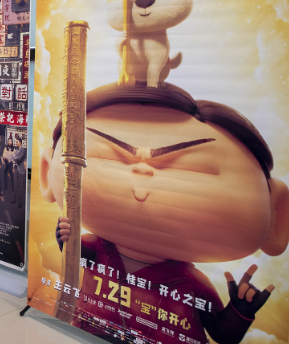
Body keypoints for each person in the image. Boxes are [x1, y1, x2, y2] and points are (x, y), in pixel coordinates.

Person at [43, 83, 288, 344]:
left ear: (277, 214)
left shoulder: (192, 283)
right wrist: (65, 236)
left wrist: (240, 310)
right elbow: (73, 255)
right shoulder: (98, 250)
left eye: (195, 169)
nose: (142, 173)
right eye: (105, 156)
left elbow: (222, 334)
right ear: (47, 171)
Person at [11, 142, 26, 207]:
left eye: (17, 142)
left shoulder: (23, 150)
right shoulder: (16, 150)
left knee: (20, 186)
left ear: (20, 142)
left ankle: (20, 202)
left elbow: (19, 158)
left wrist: (15, 158)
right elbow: (13, 157)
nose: (16, 143)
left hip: (21, 170)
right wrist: (13, 167)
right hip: (16, 168)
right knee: (15, 184)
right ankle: (14, 199)